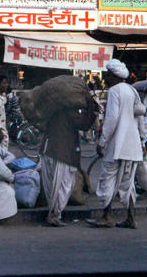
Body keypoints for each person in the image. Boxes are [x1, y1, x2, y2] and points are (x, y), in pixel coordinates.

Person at [88, 59, 146, 229]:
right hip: (132, 146)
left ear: (114, 76)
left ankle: (106, 216)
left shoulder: (114, 91)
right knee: (128, 184)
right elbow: (140, 116)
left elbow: (112, 119)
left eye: (107, 75)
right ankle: (130, 218)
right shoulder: (132, 91)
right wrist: (142, 140)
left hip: (116, 146)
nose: (105, 78)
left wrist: (102, 142)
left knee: (107, 180)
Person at [40, 94, 95, 227]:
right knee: (64, 184)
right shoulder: (71, 113)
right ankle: (55, 214)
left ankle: (53, 212)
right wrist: (91, 109)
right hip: (62, 153)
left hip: (48, 149)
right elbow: (84, 125)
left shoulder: (51, 111)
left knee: (52, 184)